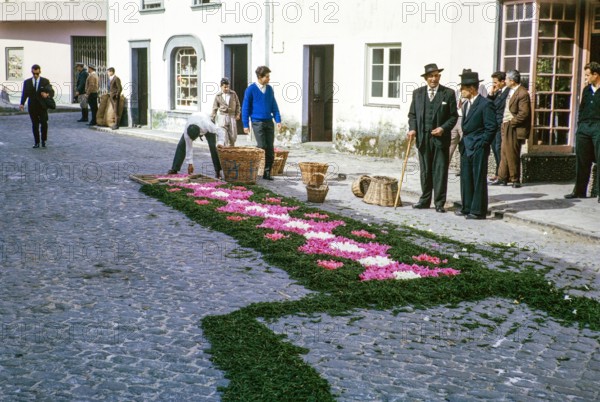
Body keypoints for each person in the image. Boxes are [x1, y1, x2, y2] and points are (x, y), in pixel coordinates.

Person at [407, 63, 459, 213]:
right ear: (426, 78)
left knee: (440, 170)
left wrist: (443, 128)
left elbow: (453, 116)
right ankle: (424, 200)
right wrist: (412, 129)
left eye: (436, 75)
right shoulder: (418, 93)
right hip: (423, 139)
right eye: (431, 76)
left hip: (441, 140)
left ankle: (439, 203)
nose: (434, 79)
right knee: (425, 170)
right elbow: (412, 115)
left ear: (439, 77)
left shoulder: (448, 93)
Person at [454, 70, 497, 220]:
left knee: (478, 178)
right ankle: (467, 207)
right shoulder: (466, 105)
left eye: (463, 88)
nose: (461, 91)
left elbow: (491, 127)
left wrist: (482, 143)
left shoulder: (486, 104)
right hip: (466, 146)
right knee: (466, 177)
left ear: (472, 88)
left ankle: (478, 211)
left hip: (478, 147)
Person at [565, 61, 600, 203]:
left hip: (598, 126)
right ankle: (579, 191)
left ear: (596, 75)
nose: (586, 78)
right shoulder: (586, 90)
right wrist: (580, 126)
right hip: (585, 127)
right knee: (582, 159)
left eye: (587, 75)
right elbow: (582, 108)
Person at [491, 70, 531, 188]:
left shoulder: (522, 93)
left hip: (513, 126)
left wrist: (511, 122)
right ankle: (502, 177)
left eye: (507, 79)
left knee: (512, 153)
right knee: (504, 152)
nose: (505, 81)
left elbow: (524, 113)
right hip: (506, 124)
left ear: (512, 81)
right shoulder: (511, 91)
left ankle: (515, 179)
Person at [242, 66, 282, 180]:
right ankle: (255, 169)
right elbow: (245, 108)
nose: (269, 78)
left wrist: (278, 120)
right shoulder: (250, 90)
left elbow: (274, 105)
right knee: (261, 146)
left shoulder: (269, 89)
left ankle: (267, 172)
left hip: (269, 122)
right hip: (257, 122)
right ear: (260, 77)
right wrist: (245, 124)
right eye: (267, 76)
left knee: (270, 148)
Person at [167, 112, 226, 179]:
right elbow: (189, 147)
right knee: (181, 145)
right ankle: (175, 169)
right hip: (194, 119)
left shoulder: (208, 125)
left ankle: (218, 171)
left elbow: (220, 131)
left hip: (206, 121)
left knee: (213, 147)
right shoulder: (187, 131)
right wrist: (190, 164)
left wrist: (220, 143)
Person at [19, 64, 53, 148]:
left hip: (42, 106)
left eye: (37, 74)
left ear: (39, 72)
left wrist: (47, 94)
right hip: (32, 107)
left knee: (44, 123)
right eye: (33, 73)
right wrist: (22, 103)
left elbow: (51, 92)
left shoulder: (45, 81)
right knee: (35, 124)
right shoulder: (27, 82)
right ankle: (36, 142)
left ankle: (43, 140)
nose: (35, 75)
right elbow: (24, 94)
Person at [487, 71, 509, 183]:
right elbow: (487, 104)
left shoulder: (508, 92)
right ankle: (498, 173)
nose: (494, 85)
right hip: (494, 124)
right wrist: (491, 94)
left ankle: (502, 175)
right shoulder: (497, 92)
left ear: (503, 81)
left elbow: (499, 107)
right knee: (495, 149)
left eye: (495, 82)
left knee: (498, 148)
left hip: (501, 123)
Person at [211, 78, 241, 146]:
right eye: (225, 87)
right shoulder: (218, 96)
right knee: (223, 136)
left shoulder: (233, 94)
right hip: (222, 116)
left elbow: (238, 104)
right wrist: (212, 117)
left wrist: (238, 114)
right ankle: (225, 151)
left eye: (228, 87)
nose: (226, 88)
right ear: (221, 86)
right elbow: (214, 108)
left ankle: (232, 149)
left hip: (232, 116)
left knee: (233, 136)